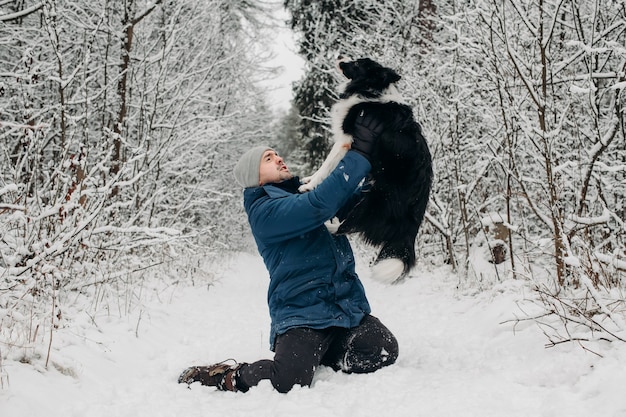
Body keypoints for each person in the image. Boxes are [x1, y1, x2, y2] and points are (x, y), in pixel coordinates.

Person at [178, 110, 398, 393]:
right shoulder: (265, 211)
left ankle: (324, 352)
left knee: (384, 349)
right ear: (254, 178)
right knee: (288, 381)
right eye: (268, 158)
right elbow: (321, 205)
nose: (279, 158)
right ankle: (230, 376)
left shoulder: (305, 192)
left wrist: (381, 171)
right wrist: (359, 154)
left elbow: (352, 203)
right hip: (302, 314)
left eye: (277, 154)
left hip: (344, 308)